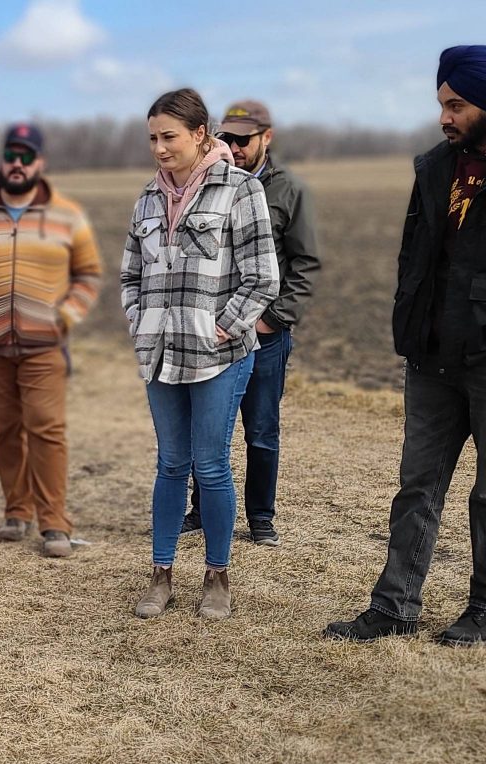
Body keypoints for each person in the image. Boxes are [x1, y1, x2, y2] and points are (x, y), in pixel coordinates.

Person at [327, 46, 486, 646]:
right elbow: (413, 258)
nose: (445, 116)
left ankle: (484, 609)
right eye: (441, 104)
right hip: (431, 357)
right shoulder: (434, 168)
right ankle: (394, 606)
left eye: (457, 104)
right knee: (416, 485)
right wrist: (410, 325)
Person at [120, 89, 279, 620]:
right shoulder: (146, 197)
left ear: (199, 134)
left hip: (219, 355)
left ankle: (217, 576)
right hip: (160, 354)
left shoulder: (240, 190)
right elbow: (130, 276)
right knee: (170, 463)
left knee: (210, 466)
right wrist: (140, 322)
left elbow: (263, 278)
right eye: (152, 139)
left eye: (169, 137)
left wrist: (222, 328)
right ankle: (161, 574)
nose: (159, 148)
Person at [0, 123, 104, 558]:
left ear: (41, 162)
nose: (18, 163)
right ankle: (17, 511)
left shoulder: (67, 215)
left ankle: (55, 524)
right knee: (5, 431)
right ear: (2, 160)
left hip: (43, 346)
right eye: (12, 154)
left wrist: (65, 317)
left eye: (27, 156)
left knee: (47, 430)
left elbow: (87, 275)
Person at [179, 100, 322, 547]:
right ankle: (201, 509)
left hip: (264, 336)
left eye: (244, 139)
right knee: (209, 426)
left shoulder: (288, 191)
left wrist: (273, 320)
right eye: (227, 138)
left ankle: (261, 516)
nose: (234, 147)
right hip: (214, 333)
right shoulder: (207, 184)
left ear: (267, 138)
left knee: (261, 429)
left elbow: (306, 263)